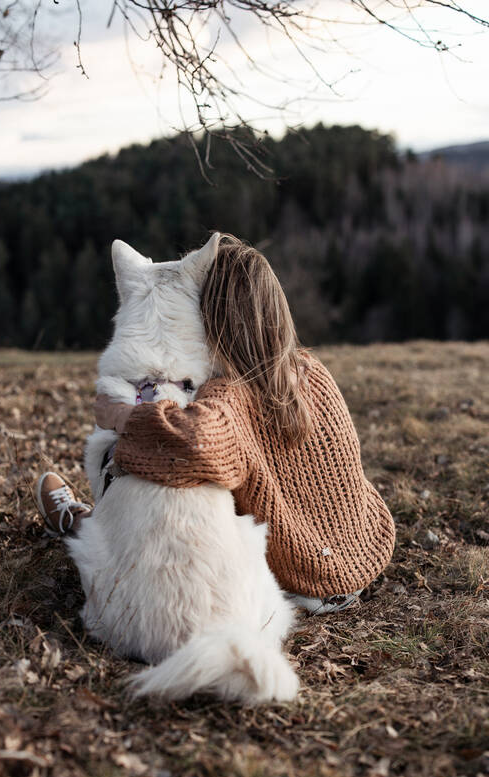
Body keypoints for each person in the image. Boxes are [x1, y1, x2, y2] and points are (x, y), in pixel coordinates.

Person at [37, 234, 395, 614]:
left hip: (303, 584)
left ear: (212, 319)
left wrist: (122, 417)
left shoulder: (227, 398)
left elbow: (189, 441)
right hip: (363, 554)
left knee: (170, 494)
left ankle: (80, 522)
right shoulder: (310, 370)